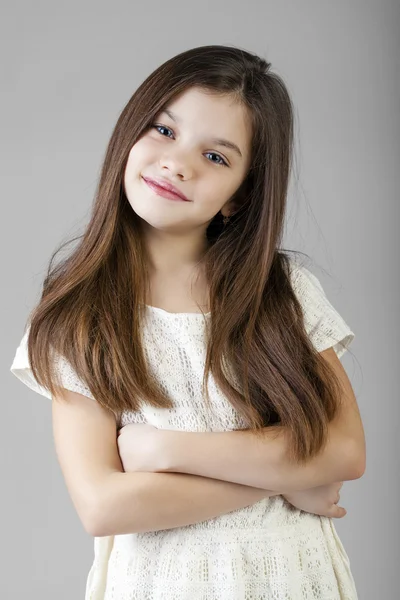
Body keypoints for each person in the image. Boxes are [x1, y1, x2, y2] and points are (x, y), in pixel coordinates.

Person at [10, 44, 365, 599]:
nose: (178, 163)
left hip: (298, 580)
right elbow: (104, 506)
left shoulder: (284, 293)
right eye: (164, 131)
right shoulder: (78, 317)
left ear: (239, 197)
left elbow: (344, 452)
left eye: (217, 157)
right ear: (131, 132)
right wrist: (289, 481)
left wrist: (164, 451)